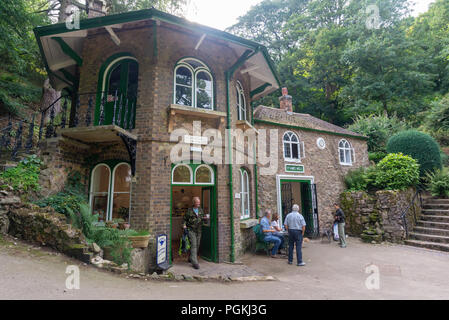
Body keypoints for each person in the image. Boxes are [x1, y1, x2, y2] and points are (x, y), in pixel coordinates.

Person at [183, 196, 209, 269]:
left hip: (199, 230)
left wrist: (206, 219)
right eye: (197, 202)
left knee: (197, 245)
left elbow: (203, 219)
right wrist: (184, 226)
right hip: (191, 230)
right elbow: (184, 219)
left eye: (199, 202)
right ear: (194, 203)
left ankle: (190, 257)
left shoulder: (201, 210)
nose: (198, 204)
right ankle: (195, 262)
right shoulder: (189, 210)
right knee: (194, 245)